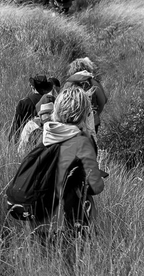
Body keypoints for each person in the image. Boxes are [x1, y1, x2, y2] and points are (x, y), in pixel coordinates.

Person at [41, 86, 105, 229]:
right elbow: (96, 187)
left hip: (42, 215)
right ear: (83, 113)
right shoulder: (82, 142)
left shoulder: (46, 136)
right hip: (70, 217)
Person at [63, 56, 108, 133]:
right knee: (91, 142)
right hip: (92, 120)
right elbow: (103, 100)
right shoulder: (93, 82)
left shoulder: (68, 83)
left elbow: (63, 104)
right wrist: (96, 114)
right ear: (87, 68)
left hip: (74, 121)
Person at [9, 75, 59, 141]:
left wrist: (12, 142)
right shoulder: (51, 101)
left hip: (26, 139)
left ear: (33, 86)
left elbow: (15, 127)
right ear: (46, 87)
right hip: (48, 139)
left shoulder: (23, 103)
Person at [16, 93, 55, 157]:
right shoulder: (31, 126)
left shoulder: (31, 126)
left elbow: (21, 152)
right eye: (46, 115)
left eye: (51, 115)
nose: (48, 118)